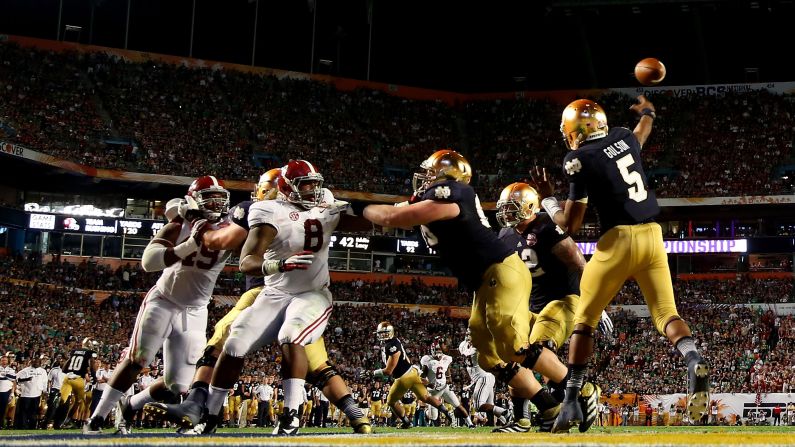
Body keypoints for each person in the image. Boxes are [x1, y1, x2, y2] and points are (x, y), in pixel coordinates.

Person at [363, 149, 579, 433]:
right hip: (485, 281)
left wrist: (364, 209)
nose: (425, 178)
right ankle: (548, 405)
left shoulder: (453, 193)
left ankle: (580, 390)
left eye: (431, 173)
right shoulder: (497, 227)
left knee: (514, 347)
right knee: (488, 357)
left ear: (445, 177)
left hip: (505, 274)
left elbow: (393, 217)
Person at [147, 165, 370, 435]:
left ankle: (196, 405)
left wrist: (194, 220)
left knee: (221, 341)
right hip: (271, 291)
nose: (259, 191)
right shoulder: (263, 210)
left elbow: (218, 240)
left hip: (286, 292)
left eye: (265, 186)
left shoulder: (276, 208)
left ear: (280, 188)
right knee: (292, 356)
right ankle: (357, 416)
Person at [548, 96, 710, 432]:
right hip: (653, 235)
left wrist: (550, 203)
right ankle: (693, 358)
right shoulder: (623, 136)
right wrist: (648, 111)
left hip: (617, 241)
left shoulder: (578, 158)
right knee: (667, 313)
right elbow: (642, 132)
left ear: (576, 130)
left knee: (584, 321)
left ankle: (571, 401)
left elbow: (571, 225)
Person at [195, 160, 350, 436]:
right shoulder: (268, 209)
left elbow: (365, 219)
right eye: (306, 184)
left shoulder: (326, 203)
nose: (313, 189)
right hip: (275, 291)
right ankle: (210, 415)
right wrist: (280, 264)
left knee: (291, 335)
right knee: (234, 342)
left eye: (315, 183)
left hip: (311, 293)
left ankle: (290, 415)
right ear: (288, 187)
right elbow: (247, 262)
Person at [83, 175, 234, 434]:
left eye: (220, 199)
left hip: (195, 310)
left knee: (178, 385)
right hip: (164, 300)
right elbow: (149, 262)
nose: (216, 204)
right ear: (195, 200)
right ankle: (97, 418)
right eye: (210, 198)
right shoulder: (180, 223)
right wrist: (189, 244)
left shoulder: (231, 227)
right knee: (137, 360)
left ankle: (131, 404)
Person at [495, 181, 609, 430]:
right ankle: (522, 418)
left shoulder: (546, 228)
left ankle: (582, 391)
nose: (507, 214)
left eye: (513, 208)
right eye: (504, 208)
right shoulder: (504, 234)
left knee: (534, 350)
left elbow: (581, 263)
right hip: (529, 306)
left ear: (529, 207)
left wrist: (597, 303)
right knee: (509, 353)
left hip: (563, 299)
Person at [373, 321, 451, 429]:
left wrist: (372, 373)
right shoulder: (394, 341)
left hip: (403, 377)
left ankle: (406, 422)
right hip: (412, 372)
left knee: (391, 401)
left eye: (385, 333)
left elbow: (388, 371)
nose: (382, 335)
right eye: (381, 333)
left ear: (390, 332)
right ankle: (447, 413)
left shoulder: (391, 345)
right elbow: (405, 359)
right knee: (425, 397)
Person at [420, 337, 475, 428]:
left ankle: (470, 424)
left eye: (440, 349)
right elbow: (421, 378)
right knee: (433, 416)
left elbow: (447, 370)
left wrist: (449, 379)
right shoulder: (427, 360)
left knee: (458, 405)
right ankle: (429, 412)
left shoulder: (446, 358)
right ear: (432, 349)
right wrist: (429, 384)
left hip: (445, 387)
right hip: (433, 391)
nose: (439, 351)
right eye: (437, 349)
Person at [459, 330, 508, 427]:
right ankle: (507, 421)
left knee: (478, 406)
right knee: (490, 405)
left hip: (484, 377)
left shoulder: (480, 346)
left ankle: (505, 412)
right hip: (482, 378)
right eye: (468, 334)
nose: (469, 337)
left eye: (471, 334)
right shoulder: (463, 345)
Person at [54, 338, 98, 429]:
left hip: (67, 378)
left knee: (62, 401)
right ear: (89, 345)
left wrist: (65, 370)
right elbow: (92, 365)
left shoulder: (74, 351)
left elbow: (66, 365)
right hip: (78, 379)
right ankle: (67, 420)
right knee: (78, 402)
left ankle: (56, 420)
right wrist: (94, 376)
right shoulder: (90, 353)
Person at [14, 355, 48, 429]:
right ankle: (23, 426)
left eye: (38, 362)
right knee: (24, 411)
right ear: (31, 362)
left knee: (34, 411)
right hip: (26, 394)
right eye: (35, 362)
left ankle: (32, 426)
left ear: (40, 363)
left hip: (37, 394)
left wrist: (45, 391)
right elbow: (17, 379)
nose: (36, 363)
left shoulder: (43, 371)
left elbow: (44, 382)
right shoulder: (25, 370)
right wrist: (26, 379)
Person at [0, 353, 16, 429]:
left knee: (3, 409)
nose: (4, 361)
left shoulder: (11, 370)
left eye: (5, 360)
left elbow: (13, 379)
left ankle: (1, 425)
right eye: (2, 360)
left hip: (6, 391)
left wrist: (12, 393)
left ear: (8, 361)